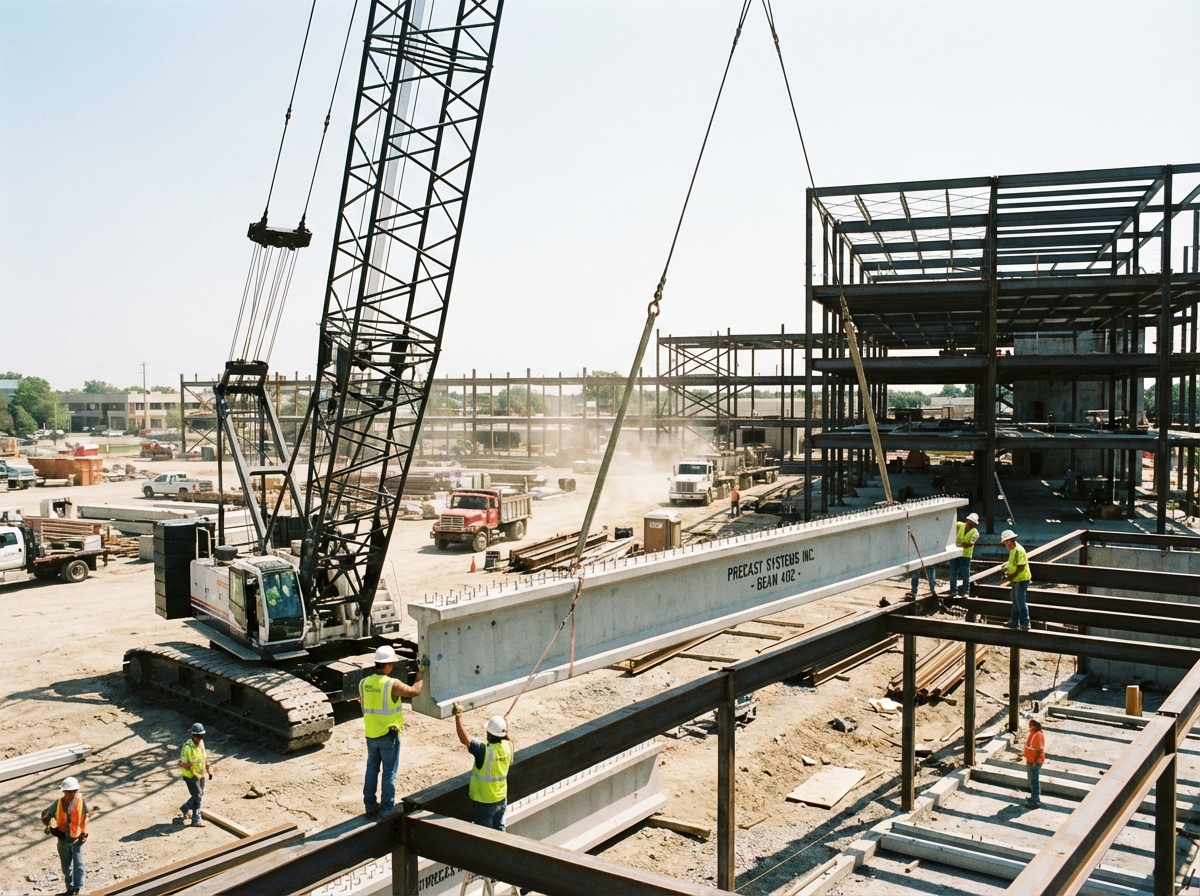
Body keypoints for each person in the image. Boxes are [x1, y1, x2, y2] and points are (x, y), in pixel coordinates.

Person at [360, 644, 424, 815]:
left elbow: (365, 704)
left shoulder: (364, 683)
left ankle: (370, 806)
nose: (393, 666)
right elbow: (414, 691)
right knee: (389, 771)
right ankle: (387, 807)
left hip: (371, 734)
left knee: (372, 769)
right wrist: (421, 674)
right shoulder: (391, 684)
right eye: (392, 663)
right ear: (387, 664)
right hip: (388, 735)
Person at [454, 702, 514, 831]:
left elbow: (465, 739)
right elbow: (506, 736)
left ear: (489, 733)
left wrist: (458, 717)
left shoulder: (484, 751)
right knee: (500, 833)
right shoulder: (508, 746)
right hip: (501, 798)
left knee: (485, 838)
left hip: (485, 801)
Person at [40, 776, 89, 896]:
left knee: (79, 865)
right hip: (63, 840)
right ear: (64, 792)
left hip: (77, 839)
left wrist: (84, 833)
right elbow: (45, 814)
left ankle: (77, 889)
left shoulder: (81, 802)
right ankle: (70, 889)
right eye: (69, 792)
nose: (72, 794)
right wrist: (50, 826)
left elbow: (85, 817)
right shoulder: (58, 803)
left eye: (74, 791)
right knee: (66, 867)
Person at [178, 722, 213, 826]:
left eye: (202, 736)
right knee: (198, 795)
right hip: (190, 776)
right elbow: (182, 763)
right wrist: (193, 772)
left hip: (200, 774)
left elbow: (204, 757)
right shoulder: (187, 747)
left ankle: (193, 816)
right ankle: (192, 815)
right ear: (193, 735)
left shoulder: (201, 743)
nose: (200, 738)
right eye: (199, 736)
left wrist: (208, 770)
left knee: (199, 795)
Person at [1001, 528, 1032, 630]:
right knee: (1015, 599)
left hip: (1021, 579)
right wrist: (1006, 566)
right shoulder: (1013, 550)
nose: (1006, 545)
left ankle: (1025, 623)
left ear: (1012, 540)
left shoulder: (1019, 550)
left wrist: (1012, 576)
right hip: (1016, 579)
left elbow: (1021, 566)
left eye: (1006, 542)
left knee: (1020, 601)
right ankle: (1013, 621)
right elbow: (1013, 563)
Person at [950, 513, 980, 600]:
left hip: (965, 555)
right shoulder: (960, 525)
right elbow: (951, 526)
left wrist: (957, 545)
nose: (969, 524)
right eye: (969, 521)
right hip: (955, 553)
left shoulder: (975, 533)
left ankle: (965, 592)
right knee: (953, 572)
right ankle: (953, 591)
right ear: (966, 521)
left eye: (972, 523)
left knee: (965, 573)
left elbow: (968, 544)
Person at [1024, 718, 1045, 807]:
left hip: (1035, 761)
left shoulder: (1038, 735)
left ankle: (1035, 801)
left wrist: (1035, 762)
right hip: (1031, 760)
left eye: (1032, 724)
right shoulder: (1033, 733)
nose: (1030, 725)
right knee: (1032, 780)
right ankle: (1033, 797)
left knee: (1034, 780)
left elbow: (1040, 750)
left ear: (1036, 725)